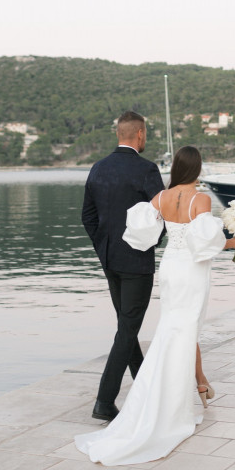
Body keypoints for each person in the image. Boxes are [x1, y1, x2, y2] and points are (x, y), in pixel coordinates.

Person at [75, 145, 235, 466]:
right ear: (197, 169)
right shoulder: (201, 199)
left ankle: (196, 385)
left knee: (175, 328)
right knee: (186, 329)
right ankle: (175, 405)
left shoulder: (162, 197)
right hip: (192, 271)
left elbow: (141, 229)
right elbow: (204, 244)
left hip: (170, 267)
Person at [81, 111, 165, 422]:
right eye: (146, 134)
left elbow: (88, 217)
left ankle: (143, 384)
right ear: (140, 134)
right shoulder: (147, 169)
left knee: (126, 326)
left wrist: (103, 248)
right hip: (136, 261)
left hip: (109, 260)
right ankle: (104, 401)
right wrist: (150, 242)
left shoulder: (98, 167)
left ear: (119, 133)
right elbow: (163, 215)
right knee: (128, 328)